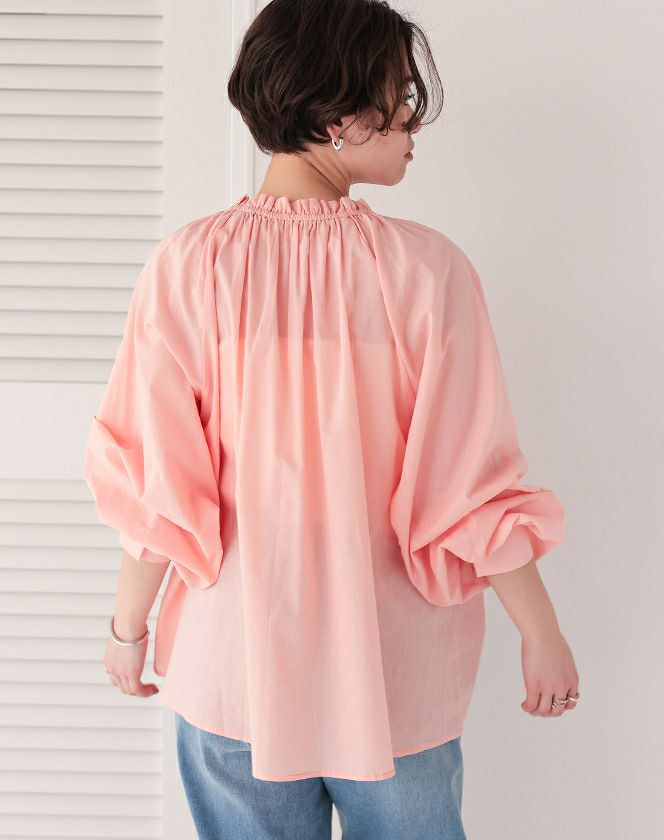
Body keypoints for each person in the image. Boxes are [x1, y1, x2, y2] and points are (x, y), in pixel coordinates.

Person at [83, 0, 579, 837]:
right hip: (390, 684)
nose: (414, 122)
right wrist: (543, 633)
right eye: (400, 97)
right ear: (338, 117)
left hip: (232, 672)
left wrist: (126, 629)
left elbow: (157, 484)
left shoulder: (188, 268)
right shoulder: (427, 274)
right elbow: (470, 490)